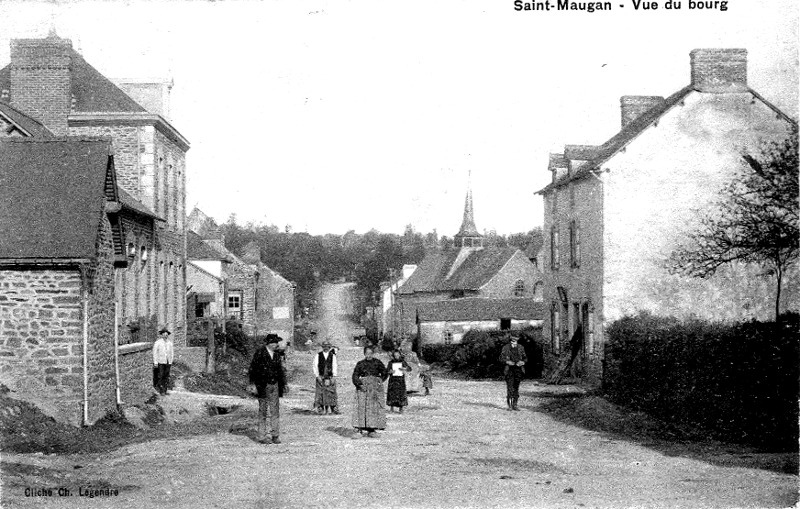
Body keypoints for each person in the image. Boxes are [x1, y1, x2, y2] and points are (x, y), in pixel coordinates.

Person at [248, 335, 286, 444]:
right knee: (263, 411)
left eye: (277, 342)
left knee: (275, 411)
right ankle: (261, 436)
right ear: (268, 343)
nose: (276, 344)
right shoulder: (260, 353)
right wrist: (253, 384)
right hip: (262, 386)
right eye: (274, 342)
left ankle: (275, 435)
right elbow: (252, 369)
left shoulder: (277, 355)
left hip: (275, 385)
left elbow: (280, 371)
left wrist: (283, 384)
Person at [351, 345, 388, 437]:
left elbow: (385, 372)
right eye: (367, 353)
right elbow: (355, 375)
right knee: (361, 407)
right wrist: (359, 384)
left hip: (374, 389)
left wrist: (380, 380)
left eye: (370, 353)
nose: (369, 355)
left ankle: (372, 430)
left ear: (373, 353)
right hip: (363, 388)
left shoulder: (378, 362)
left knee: (373, 408)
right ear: (364, 354)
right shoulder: (360, 364)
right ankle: (359, 429)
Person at [499, 334, 526, 411]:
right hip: (509, 370)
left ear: (517, 341)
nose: (513, 343)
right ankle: (510, 406)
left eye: (515, 341)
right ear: (510, 341)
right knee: (510, 387)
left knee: (516, 387)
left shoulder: (521, 348)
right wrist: (507, 361)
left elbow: (525, 358)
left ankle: (515, 405)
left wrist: (522, 362)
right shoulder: (505, 348)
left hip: (518, 370)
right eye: (512, 341)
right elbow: (501, 358)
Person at [313, 339, 339, 414]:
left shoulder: (332, 356)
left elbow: (334, 366)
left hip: (330, 376)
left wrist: (334, 376)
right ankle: (320, 407)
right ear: (322, 347)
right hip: (321, 376)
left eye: (327, 346)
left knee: (331, 392)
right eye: (324, 346)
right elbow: (315, 366)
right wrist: (317, 376)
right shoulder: (318, 355)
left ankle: (333, 407)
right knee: (320, 392)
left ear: (329, 347)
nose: (326, 348)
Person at [152, 327, 174, 396]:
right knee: (161, 375)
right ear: (161, 335)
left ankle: (165, 389)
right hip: (160, 362)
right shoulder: (158, 343)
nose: (165, 335)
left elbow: (172, 353)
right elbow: (155, 353)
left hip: (168, 362)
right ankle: (161, 390)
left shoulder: (170, 343)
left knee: (166, 376)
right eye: (164, 334)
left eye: (167, 334)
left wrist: (171, 361)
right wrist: (155, 362)